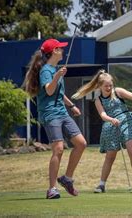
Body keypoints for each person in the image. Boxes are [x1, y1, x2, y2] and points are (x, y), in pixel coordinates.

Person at [23, 38, 87, 199]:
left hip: (62, 112)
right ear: (54, 52)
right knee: (58, 149)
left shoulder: (54, 69)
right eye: (60, 48)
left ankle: (67, 179)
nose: (63, 51)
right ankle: (52, 189)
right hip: (50, 113)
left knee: (81, 143)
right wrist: (57, 76)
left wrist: (71, 106)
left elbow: (59, 93)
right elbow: (50, 91)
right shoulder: (46, 70)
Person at [72, 69, 132, 193]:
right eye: (106, 86)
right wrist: (112, 120)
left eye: (110, 85)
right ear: (100, 86)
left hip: (127, 122)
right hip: (111, 125)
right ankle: (101, 185)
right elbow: (103, 115)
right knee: (110, 157)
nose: (108, 88)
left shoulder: (118, 92)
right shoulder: (98, 100)